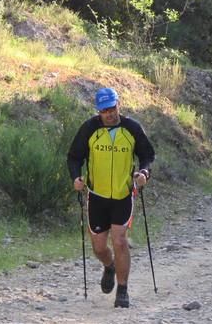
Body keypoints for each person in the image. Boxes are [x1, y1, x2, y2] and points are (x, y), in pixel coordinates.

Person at [66, 87, 155, 308]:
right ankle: (110, 266)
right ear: (99, 111)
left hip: (123, 195)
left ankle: (122, 290)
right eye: (105, 110)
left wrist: (144, 173)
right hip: (97, 196)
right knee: (99, 247)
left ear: (118, 105)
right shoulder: (90, 128)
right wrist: (76, 177)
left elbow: (147, 155)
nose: (110, 114)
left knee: (119, 240)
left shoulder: (132, 128)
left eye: (112, 108)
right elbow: (74, 156)